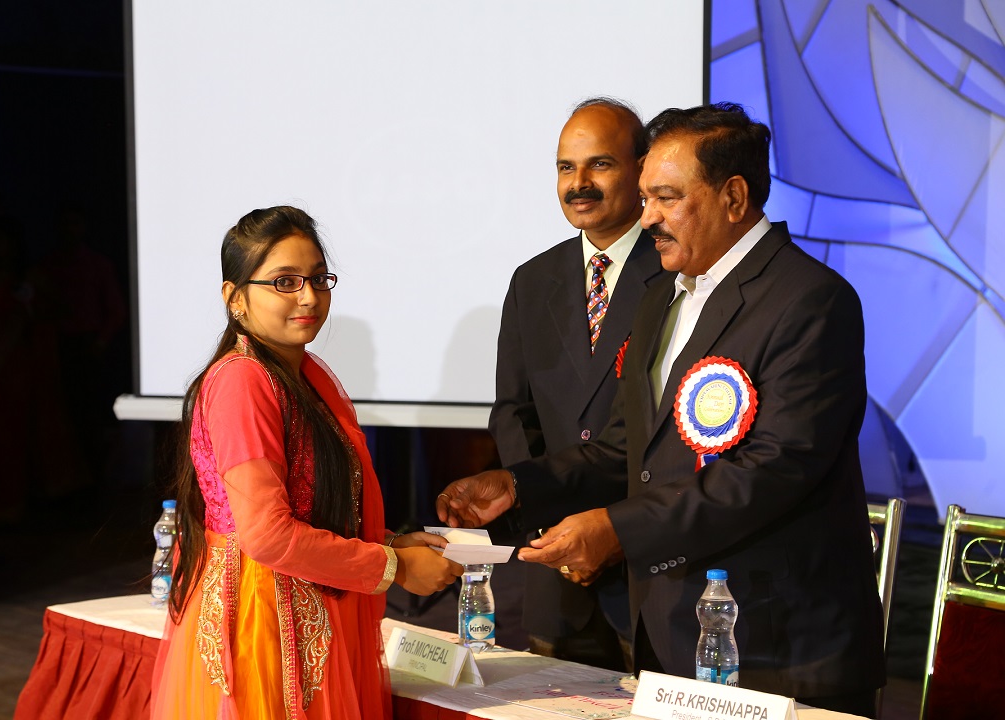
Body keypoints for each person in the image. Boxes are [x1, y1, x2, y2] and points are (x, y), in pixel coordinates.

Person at [439, 103, 885, 716]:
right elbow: (629, 447)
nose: (647, 217)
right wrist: (519, 485)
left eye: (666, 198)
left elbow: (774, 468)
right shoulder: (664, 298)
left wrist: (618, 530)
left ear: (733, 197)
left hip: (779, 646)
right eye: (646, 197)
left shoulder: (810, 300)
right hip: (673, 636)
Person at [151, 206, 463, 720]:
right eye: (285, 282)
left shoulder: (300, 376)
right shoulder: (242, 381)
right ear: (234, 297)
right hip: (265, 619)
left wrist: (388, 544)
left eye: (318, 278)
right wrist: (395, 567)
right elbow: (267, 536)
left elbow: (310, 508)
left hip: (306, 606)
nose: (309, 297)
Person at [488, 97, 663, 669]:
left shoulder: (676, 271)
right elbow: (513, 413)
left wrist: (611, 532)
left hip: (646, 570)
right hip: (554, 572)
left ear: (641, 169)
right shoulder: (532, 279)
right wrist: (555, 527)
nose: (578, 183)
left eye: (600, 164)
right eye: (566, 167)